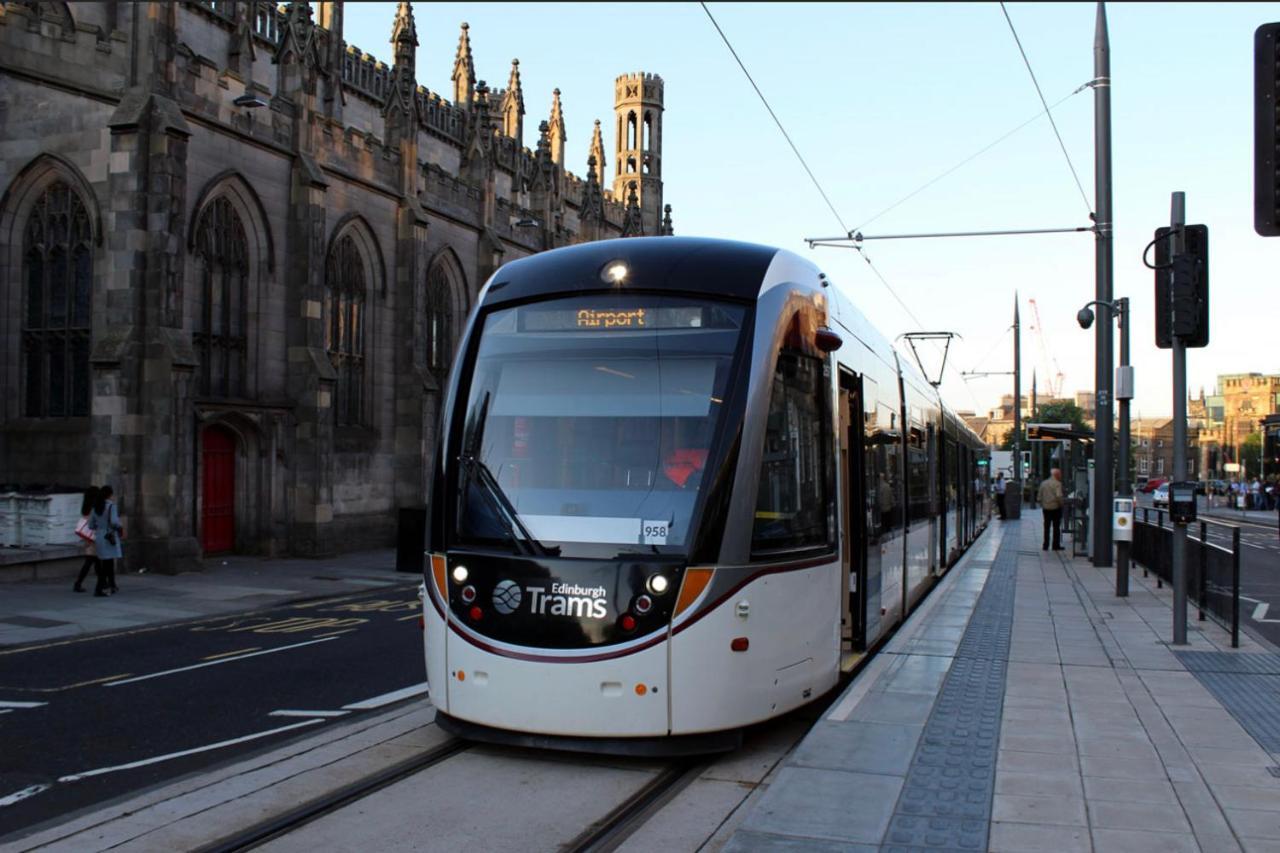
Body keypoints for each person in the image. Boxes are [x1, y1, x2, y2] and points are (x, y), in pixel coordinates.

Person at [89, 485, 123, 596]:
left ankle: (111, 585)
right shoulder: (111, 506)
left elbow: (91, 525)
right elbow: (114, 522)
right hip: (109, 536)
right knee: (108, 564)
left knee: (106, 562)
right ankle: (100, 588)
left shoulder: (95, 507)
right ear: (109, 494)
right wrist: (119, 525)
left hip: (99, 535)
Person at [72, 486, 99, 593]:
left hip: (88, 536)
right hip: (93, 537)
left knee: (94, 561)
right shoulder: (95, 507)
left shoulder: (85, 506)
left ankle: (79, 583)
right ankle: (78, 583)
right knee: (91, 561)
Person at [1038, 467, 1065, 551]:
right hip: (1055, 508)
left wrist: (1043, 504)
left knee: (1046, 527)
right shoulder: (1057, 484)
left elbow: (1039, 497)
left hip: (1046, 509)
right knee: (1056, 527)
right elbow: (1059, 496)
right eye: (1059, 474)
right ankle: (1055, 545)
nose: (1061, 476)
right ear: (1056, 475)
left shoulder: (1043, 483)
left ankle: (1045, 545)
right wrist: (1061, 504)